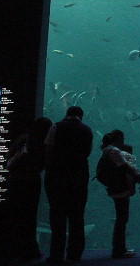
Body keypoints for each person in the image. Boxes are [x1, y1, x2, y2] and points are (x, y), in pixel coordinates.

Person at [44, 106, 93, 264]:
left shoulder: (55, 127)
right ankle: (75, 254)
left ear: (67, 114)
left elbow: (48, 148)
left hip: (57, 175)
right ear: (81, 116)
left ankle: (56, 254)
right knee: (77, 216)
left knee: (57, 216)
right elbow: (87, 152)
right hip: (79, 176)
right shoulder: (87, 130)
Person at [7, 116, 52, 261]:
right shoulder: (43, 143)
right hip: (32, 181)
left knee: (17, 214)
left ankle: (15, 249)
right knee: (30, 216)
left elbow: (9, 159)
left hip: (17, 181)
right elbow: (44, 164)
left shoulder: (24, 139)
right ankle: (29, 250)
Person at [100, 130, 140, 259]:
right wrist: (136, 174)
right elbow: (124, 166)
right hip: (120, 188)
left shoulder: (106, 150)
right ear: (118, 138)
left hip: (114, 187)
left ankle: (119, 248)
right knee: (122, 218)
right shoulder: (114, 151)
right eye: (122, 138)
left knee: (121, 218)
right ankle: (119, 250)